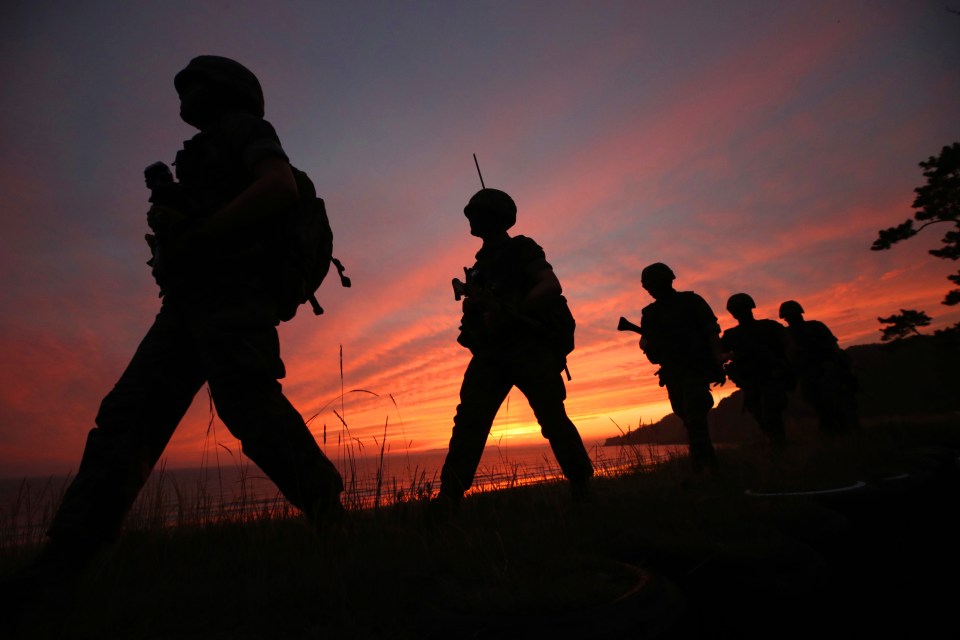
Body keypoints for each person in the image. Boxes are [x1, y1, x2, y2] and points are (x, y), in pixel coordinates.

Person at [24, 56, 345, 591]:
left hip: (236, 299)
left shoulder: (248, 129)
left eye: (193, 83)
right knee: (127, 418)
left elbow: (279, 187)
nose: (182, 94)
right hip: (191, 301)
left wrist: (201, 233)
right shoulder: (198, 153)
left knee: (253, 413)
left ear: (225, 88)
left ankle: (332, 520)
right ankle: (64, 562)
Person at [433, 188, 594, 514]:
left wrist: (511, 309)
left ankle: (583, 487)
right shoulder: (479, 265)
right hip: (491, 353)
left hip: (528, 347)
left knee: (552, 419)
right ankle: (448, 500)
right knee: (469, 423)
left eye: (476, 213)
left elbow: (550, 285)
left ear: (493, 216)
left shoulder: (521, 247)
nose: (470, 219)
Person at [636, 263, 725, 472]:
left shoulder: (691, 301)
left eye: (652, 284)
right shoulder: (650, 313)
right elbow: (652, 352)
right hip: (673, 373)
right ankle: (707, 467)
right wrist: (649, 344)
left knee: (695, 418)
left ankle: (704, 468)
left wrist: (717, 360)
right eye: (648, 286)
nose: (650, 289)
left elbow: (711, 332)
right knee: (687, 416)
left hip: (694, 368)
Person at [721, 293, 795, 448]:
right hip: (751, 383)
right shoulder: (733, 334)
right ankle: (779, 449)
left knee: (771, 417)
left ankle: (780, 450)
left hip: (770, 379)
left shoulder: (768, 327)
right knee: (764, 418)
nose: (739, 313)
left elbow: (790, 346)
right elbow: (718, 355)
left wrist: (785, 366)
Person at [778, 300, 860, 433]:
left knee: (834, 406)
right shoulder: (812, 327)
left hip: (824, 371)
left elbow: (834, 348)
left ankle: (840, 433)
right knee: (827, 406)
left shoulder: (809, 328)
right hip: (814, 372)